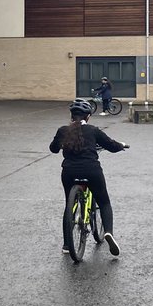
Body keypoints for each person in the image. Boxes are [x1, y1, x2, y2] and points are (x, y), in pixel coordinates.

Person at [49, 98, 128, 258]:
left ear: (71, 116)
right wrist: (121, 145)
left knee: (69, 205)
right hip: (91, 171)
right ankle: (108, 232)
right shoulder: (93, 130)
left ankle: (67, 245)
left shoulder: (63, 130)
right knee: (104, 202)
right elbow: (111, 145)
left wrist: (60, 143)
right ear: (88, 117)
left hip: (69, 172)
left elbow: (53, 149)